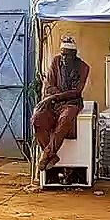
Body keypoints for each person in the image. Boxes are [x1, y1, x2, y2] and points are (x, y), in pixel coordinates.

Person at [31, 35, 90, 170]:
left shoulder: (83, 67)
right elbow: (48, 86)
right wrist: (54, 98)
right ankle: (52, 156)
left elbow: (76, 92)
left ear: (74, 54)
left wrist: (54, 97)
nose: (64, 58)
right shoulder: (56, 61)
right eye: (62, 54)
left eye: (67, 55)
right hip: (54, 102)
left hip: (72, 103)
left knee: (65, 119)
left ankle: (46, 154)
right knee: (37, 119)